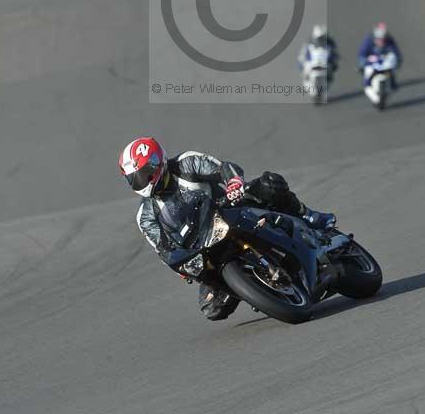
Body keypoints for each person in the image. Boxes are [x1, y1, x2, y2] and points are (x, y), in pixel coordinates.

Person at [119, 137, 334, 322]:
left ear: (158, 163)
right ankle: (255, 286)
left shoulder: (185, 163)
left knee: (269, 184)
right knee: (211, 308)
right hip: (202, 245)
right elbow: (163, 248)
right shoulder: (145, 216)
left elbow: (222, 168)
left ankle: (307, 214)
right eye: (134, 178)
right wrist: (180, 268)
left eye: (144, 173)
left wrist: (233, 183)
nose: (141, 181)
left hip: (229, 207)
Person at [358, 22, 402, 89]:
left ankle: (393, 83)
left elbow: (396, 52)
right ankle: (367, 82)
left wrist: (398, 61)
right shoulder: (368, 40)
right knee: (368, 69)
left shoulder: (389, 41)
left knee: (391, 70)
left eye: (382, 39)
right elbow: (362, 53)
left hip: (384, 60)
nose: (381, 41)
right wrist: (365, 61)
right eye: (379, 39)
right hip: (372, 59)